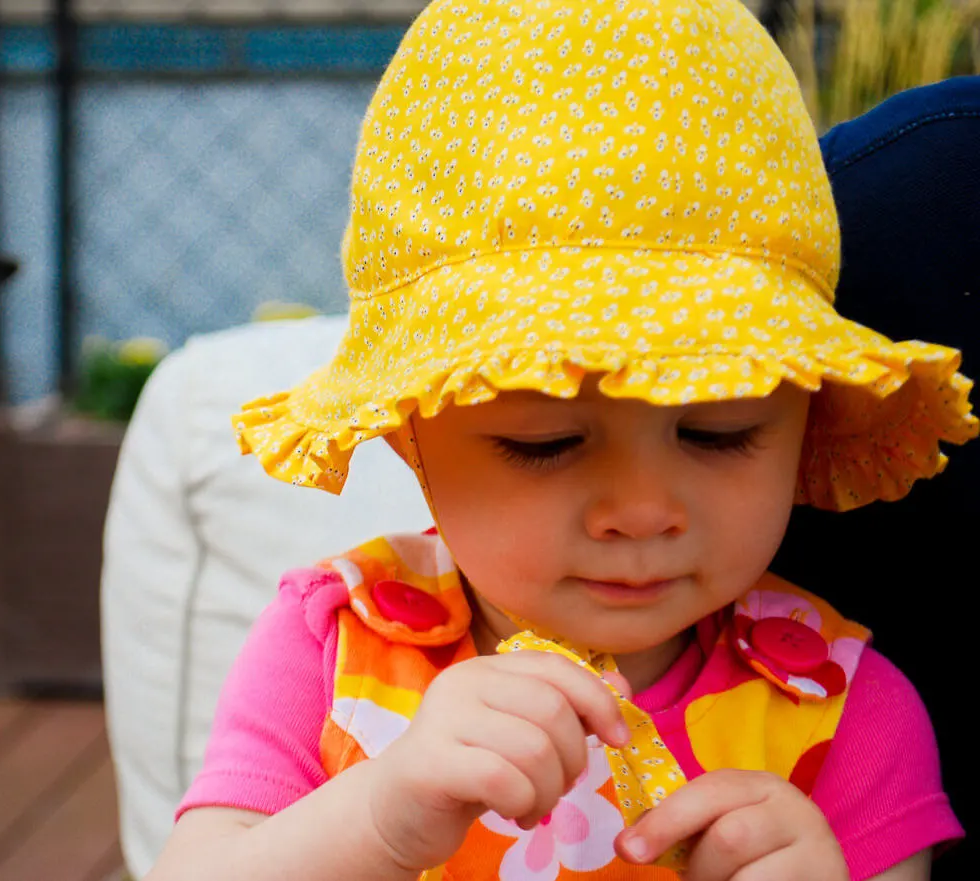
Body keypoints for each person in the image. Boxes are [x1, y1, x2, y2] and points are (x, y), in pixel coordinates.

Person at [142, 1, 977, 879]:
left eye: (719, 433)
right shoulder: (334, 651)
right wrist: (379, 825)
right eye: (545, 444)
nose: (642, 509)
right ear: (407, 430)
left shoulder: (841, 713)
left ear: (806, 417)